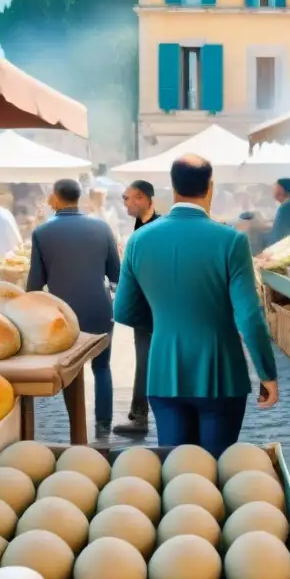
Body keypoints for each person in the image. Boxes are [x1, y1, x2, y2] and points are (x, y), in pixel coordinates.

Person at [114, 155, 278, 456]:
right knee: (215, 471)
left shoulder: (139, 240)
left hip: (164, 369)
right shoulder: (231, 241)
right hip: (221, 373)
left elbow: (123, 309)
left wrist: (166, 324)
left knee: (177, 472)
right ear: (210, 188)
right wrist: (267, 374)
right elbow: (249, 317)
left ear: (172, 187)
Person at [28, 179, 121, 430]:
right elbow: (116, 274)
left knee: (68, 370)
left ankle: (75, 424)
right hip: (100, 309)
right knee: (102, 367)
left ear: (56, 199)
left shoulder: (42, 233)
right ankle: (104, 424)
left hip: (62, 315)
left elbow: (35, 285)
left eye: (50, 197)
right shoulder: (102, 228)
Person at [114, 179, 161, 435]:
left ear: (143, 199)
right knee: (145, 360)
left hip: (154, 308)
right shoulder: (142, 226)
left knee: (146, 360)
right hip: (146, 307)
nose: (125, 203)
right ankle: (138, 414)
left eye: (128, 197)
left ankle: (141, 417)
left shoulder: (156, 227)